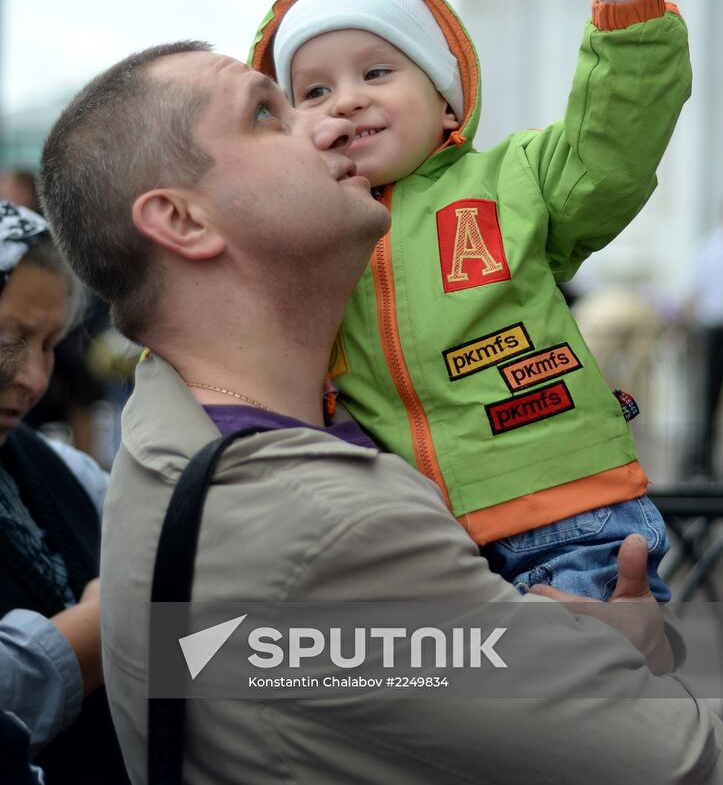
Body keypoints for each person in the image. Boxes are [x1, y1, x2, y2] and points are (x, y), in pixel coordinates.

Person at [38, 41, 723, 784]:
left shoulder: (168, 420)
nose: (330, 123)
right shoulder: (331, 524)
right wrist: (614, 660)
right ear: (182, 220)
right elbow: (680, 761)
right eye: (270, 113)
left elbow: (222, 658)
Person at [248, 0, 687, 602]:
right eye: (314, 90)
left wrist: (627, 4)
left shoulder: (512, 180)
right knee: (462, 705)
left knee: (577, 696)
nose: (347, 99)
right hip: (414, 545)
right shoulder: (303, 238)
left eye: (377, 70)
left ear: (448, 101)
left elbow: (611, 146)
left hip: (569, 515)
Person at [0, 200, 128, 784]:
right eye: (11, 338)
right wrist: (103, 626)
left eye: (49, 344)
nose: (33, 378)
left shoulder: (51, 468)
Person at [688, 206, 723, 477]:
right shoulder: (709, 245)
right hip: (712, 328)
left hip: (712, 330)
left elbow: (693, 290)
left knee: (707, 402)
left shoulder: (708, 245)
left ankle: (703, 464)